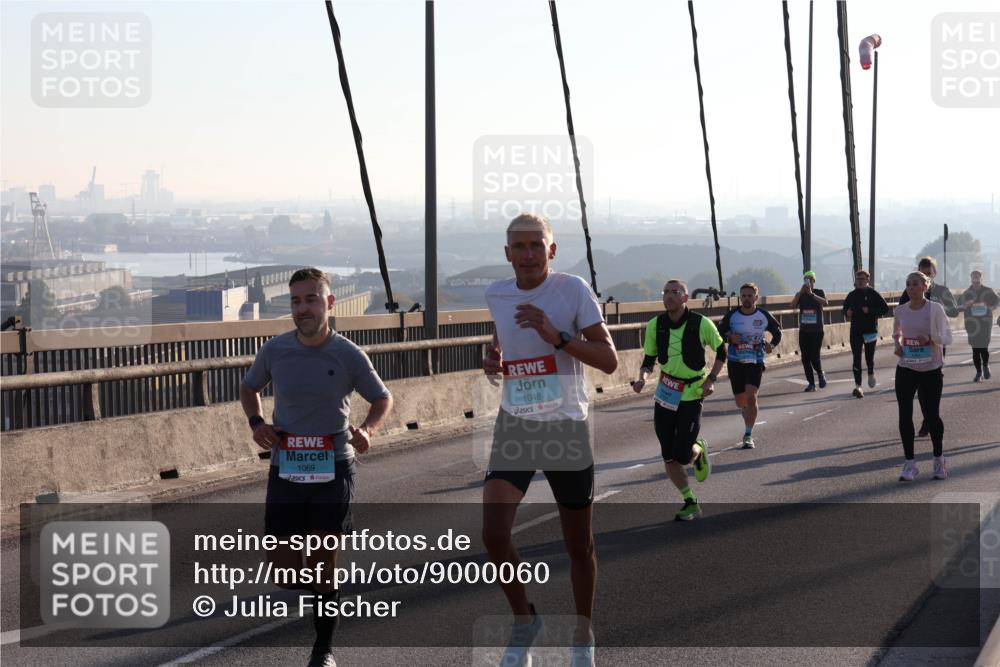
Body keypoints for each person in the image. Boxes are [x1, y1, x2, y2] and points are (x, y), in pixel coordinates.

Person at [481, 213, 618, 667]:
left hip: (565, 426)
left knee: (579, 545)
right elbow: (504, 336)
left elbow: (609, 361)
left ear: (551, 251)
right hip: (516, 423)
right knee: (494, 533)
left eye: (536, 245)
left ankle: (583, 634)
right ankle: (525, 623)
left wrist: (556, 336)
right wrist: (493, 355)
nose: (527, 254)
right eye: (518, 247)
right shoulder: (496, 293)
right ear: (506, 254)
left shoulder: (572, 290)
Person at [240, 267, 393, 667]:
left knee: (323, 560)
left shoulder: (347, 353)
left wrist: (368, 430)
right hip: (287, 467)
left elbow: (382, 399)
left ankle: (323, 649)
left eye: (310, 299)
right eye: (295, 301)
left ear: (329, 303)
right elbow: (249, 387)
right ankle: (326, 595)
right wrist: (257, 423)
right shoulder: (275, 350)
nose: (302, 308)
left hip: (334, 467)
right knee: (285, 573)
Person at [631, 279, 726, 521]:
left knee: (683, 455)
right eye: (666, 292)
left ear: (685, 298)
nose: (670, 296)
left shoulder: (700, 323)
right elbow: (649, 359)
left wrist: (711, 379)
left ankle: (697, 450)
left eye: (675, 292)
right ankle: (690, 501)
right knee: (668, 454)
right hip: (666, 392)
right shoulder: (655, 325)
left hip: (692, 392)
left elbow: (722, 351)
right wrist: (641, 377)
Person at [893, 270, 952, 482]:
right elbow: (897, 334)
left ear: (925, 287)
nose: (911, 288)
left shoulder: (935, 309)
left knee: (931, 415)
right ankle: (909, 464)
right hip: (906, 367)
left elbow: (947, 337)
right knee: (904, 415)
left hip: (931, 369)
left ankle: (939, 459)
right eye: (908, 284)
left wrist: (930, 338)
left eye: (916, 284)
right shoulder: (900, 310)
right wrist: (898, 346)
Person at [898, 256, 959, 436]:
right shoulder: (911, 290)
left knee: (930, 387)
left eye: (929, 273)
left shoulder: (942, 291)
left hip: (935, 343)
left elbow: (954, 311)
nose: (926, 276)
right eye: (923, 273)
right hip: (914, 347)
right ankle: (928, 418)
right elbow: (901, 312)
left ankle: (930, 418)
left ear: (935, 273)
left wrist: (939, 311)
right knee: (916, 385)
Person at [716, 283, 782, 449]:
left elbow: (777, 332)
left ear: (756, 298)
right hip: (735, 360)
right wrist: (730, 338)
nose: (746, 298)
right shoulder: (732, 315)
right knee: (741, 401)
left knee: (752, 396)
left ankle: (748, 434)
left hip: (755, 360)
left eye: (749, 295)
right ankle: (745, 410)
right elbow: (718, 333)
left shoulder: (763, 315)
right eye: (743, 295)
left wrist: (771, 345)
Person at [842, 269, 890, 397]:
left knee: (869, 357)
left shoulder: (874, 294)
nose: (860, 282)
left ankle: (870, 372)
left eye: (862, 279)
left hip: (870, 331)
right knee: (856, 358)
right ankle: (858, 386)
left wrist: (870, 310)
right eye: (858, 279)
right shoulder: (851, 295)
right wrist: (847, 313)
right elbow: (844, 309)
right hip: (856, 331)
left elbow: (885, 309)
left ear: (868, 280)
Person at [789, 270, 828, 391]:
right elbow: (792, 306)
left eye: (810, 280)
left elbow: (825, 303)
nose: (808, 282)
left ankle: (820, 373)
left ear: (814, 281)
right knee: (805, 358)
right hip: (804, 330)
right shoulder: (800, 294)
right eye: (806, 280)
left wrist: (811, 294)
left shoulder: (819, 292)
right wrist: (801, 292)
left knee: (814, 356)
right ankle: (811, 383)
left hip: (817, 330)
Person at [961, 270, 999, 382]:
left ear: (981, 278)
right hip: (972, 325)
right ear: (971, 278)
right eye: (974, 277)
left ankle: (986, 366)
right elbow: (959, 305)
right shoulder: (967, 293)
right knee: (975, 350)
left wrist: (989, 306)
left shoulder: (988, 291)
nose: (976, 280)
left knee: (984, 347)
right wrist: (966, 305)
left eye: (978, 278)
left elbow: (997, 301)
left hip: (985, 323)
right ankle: (978, 372)